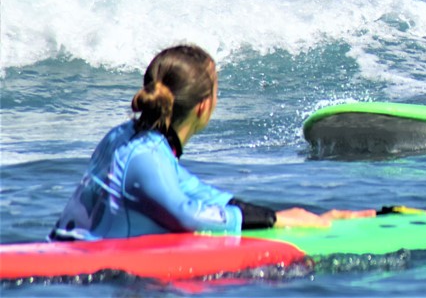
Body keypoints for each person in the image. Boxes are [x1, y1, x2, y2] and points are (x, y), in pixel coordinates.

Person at [51, 45, 370, 241]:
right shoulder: (146, 155)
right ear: (204, 105)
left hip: (74, 257)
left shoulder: (127, 137)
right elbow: (186, 215)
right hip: (87, 275)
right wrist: (275, 221)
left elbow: (194, 191)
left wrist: (283, 215)